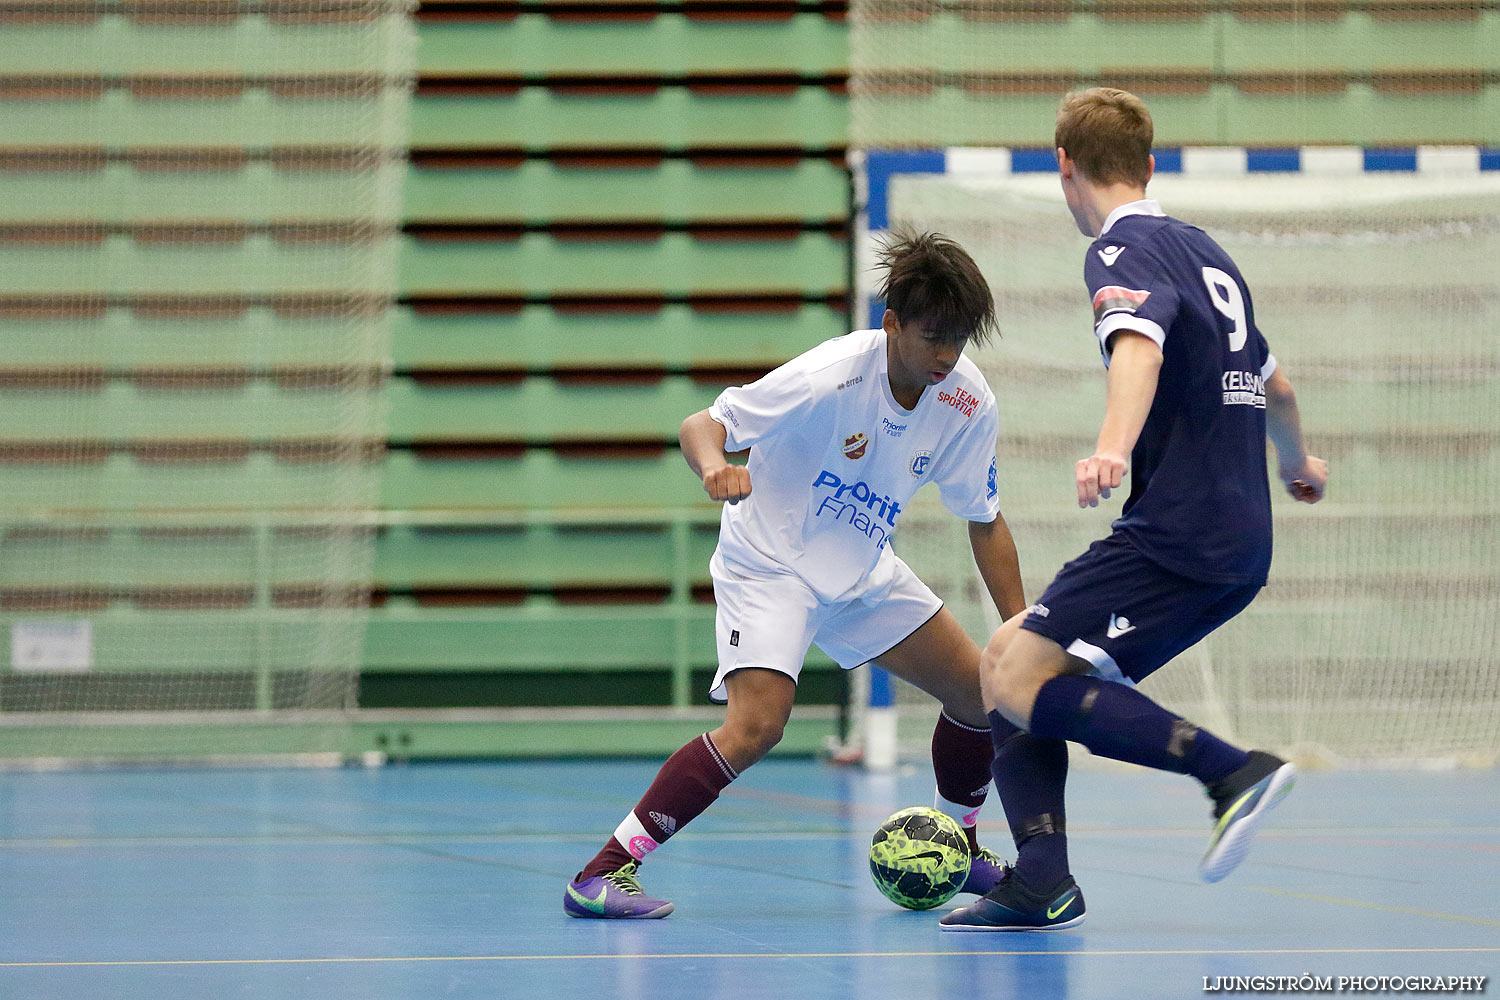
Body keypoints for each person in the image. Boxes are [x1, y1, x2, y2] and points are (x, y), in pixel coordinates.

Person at [940, 88, 1329, 932]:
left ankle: (1232, 770)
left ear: (1064, 167)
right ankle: (1042, 877)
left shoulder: (1123, 251)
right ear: (1151, 165)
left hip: (1179, 531)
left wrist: (1113, 444)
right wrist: (1297, 463)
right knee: (1005, 657)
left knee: (1014, 675)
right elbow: (1280, 386)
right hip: (1239, 537)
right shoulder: (1208, 254)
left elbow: (1137, 345)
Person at [564, 231, 1029, 919]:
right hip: (771, 564)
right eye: (933, 336)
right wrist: (714, 466)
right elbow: (703, 424)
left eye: (959, 340)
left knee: (983, 691)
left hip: (861, 567)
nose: (946, 356)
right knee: (758, 727)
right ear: (891, 323)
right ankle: (602, 873)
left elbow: (984, 518)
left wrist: (1020, 629)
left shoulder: (966, 401)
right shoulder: (831, 374)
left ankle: (952, 848)